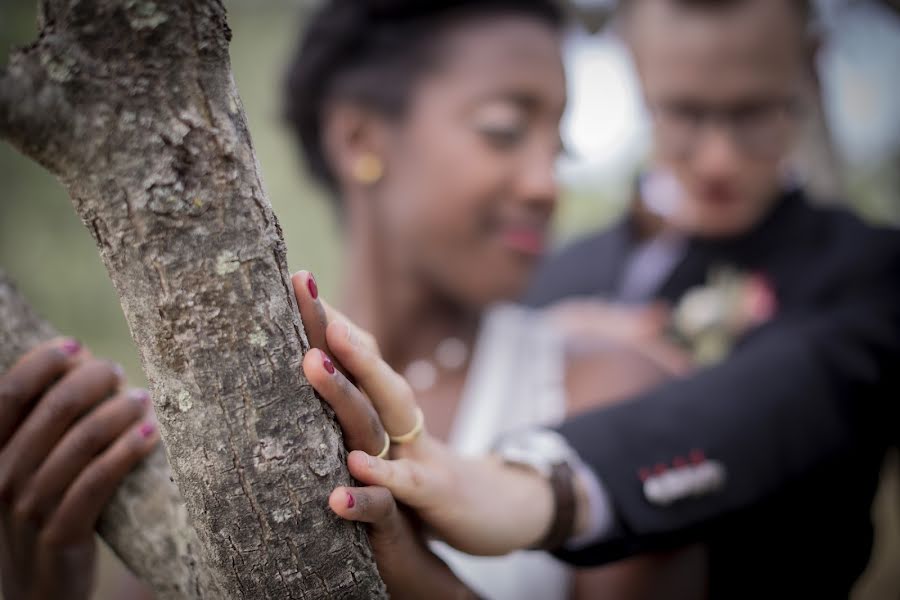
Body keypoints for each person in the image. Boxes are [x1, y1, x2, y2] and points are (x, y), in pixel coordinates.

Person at [0, 1, 686, 598]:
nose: (546, 184)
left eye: (559, 145)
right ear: (359, 136)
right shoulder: (221, 413)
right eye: (505, 130)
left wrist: (423, 583)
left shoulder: (616, 394)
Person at [295, 0, 900, 598]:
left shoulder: (869, 268)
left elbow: (797, 388)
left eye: (756, 112)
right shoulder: (550, 278)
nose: (718, 158)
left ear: (809, 68)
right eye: (682, 113)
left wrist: (536, 489)